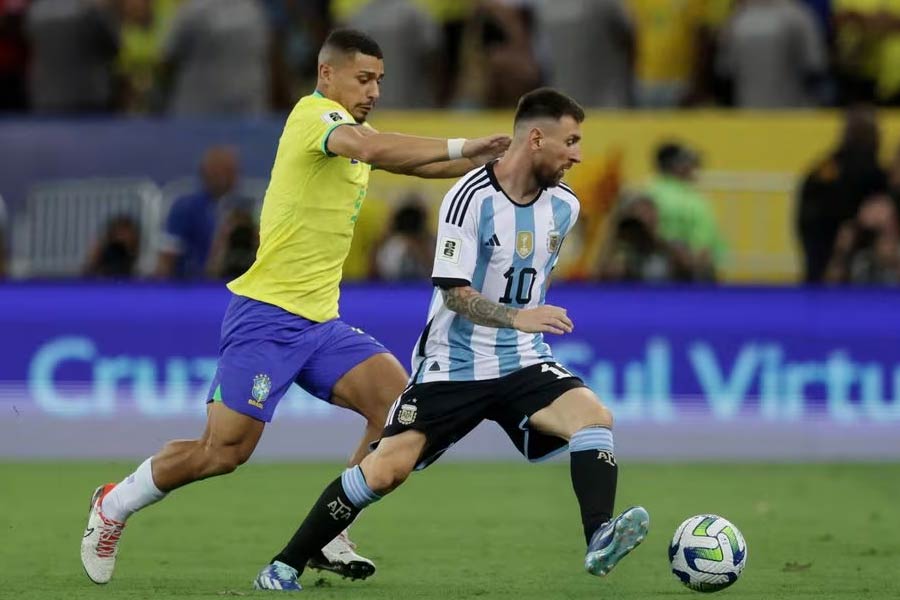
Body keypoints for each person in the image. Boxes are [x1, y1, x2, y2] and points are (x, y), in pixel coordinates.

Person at [80, 28, 510, 586]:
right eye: (364, 78)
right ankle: (114, 504)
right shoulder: (315, 118)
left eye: (380, 79)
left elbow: (416, 166)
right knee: (224, 451)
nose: (374, 89)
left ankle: (331, 530)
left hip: (321, 325)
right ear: (326, 75)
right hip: (265, 317)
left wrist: (498, 165)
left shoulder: (357, 134)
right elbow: (378, 149)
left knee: (398, 408)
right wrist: (466, 145)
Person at [252, 88, 649, 592]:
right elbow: (456, 294)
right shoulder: (469, 197)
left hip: (522, 363)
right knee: (385, 471)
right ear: (536, 139)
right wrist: (517, 318)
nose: (578, 155)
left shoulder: (565, 207)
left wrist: (520, 329)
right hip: (453, 365)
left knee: (594, 419)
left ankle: (599, 538)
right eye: (570, 142)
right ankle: (285, 563)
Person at [155, 145, 255, 280]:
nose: (224, 177)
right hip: (193, 285)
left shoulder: (248, 208)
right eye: (218, 171)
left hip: (239, 284)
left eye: (230, 171)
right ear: (205, 173)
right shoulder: (184, 208)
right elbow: (167, 258)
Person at [645, 142, 726, 281]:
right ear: (674, 166)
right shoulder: (654, 194)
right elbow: (650, 231)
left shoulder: (689, 194)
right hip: (670, 266)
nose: (695, 167)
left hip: (695, 264)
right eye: (688, 162)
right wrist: (680, 254)